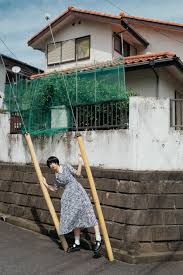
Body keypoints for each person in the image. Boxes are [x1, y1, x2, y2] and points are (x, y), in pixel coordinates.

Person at [42, 155, 102, 254]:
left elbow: (78, 174)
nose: (51, 165)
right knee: (74, 217)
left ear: (56, 162)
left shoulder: (66, 166)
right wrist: (45, 184)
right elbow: (54, 188)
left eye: (52, 163)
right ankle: (77, 243)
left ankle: (98, 239)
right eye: (49, 165)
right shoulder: (56, 176)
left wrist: (80, 162)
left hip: (78, 192)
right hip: (68, 197)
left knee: (89, 212)